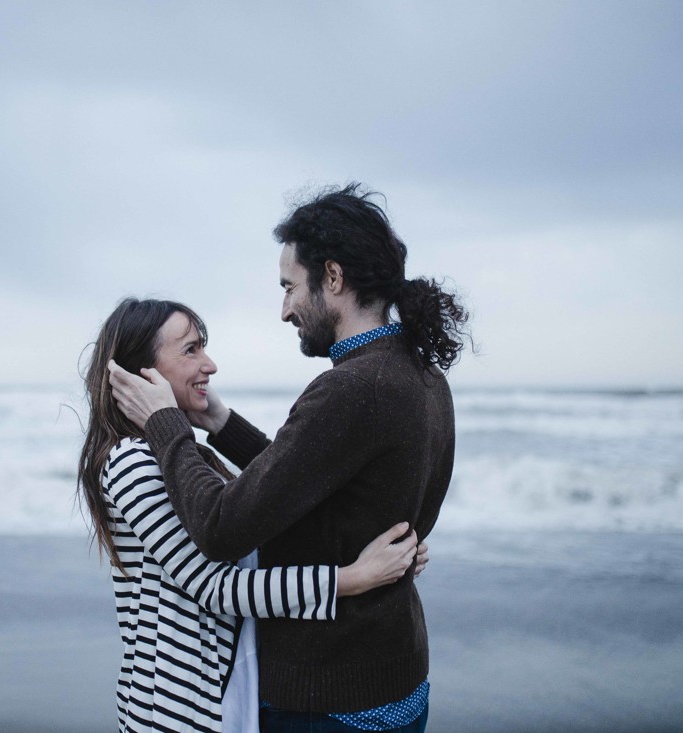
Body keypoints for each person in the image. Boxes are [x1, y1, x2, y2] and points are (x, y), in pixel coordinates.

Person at [108, 183, 469, 732]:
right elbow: (308, 485)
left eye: (289, 287)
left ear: (333, 278)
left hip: (332, 692)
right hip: (395, 672)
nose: (284, 310)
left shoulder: (352, 389)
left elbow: (223, 528)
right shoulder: (422, 376)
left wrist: (164, 423)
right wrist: (220, 423)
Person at [78, 297, 430, 733]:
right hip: (176, 710)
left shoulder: (176, 454)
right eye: (190, 350)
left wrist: (376, 546)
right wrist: (353, 578)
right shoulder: (133, 462)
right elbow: (215, 587)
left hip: (217, 695)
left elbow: (274, 502)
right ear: (140, 374)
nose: (210, 365)